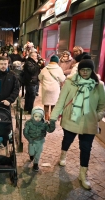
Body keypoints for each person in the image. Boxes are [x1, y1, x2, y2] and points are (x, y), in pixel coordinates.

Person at [50, 59, 105, 190]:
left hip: (89, 122)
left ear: (92, 71)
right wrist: (52, 118)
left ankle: (82, 174)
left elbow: (102, 106)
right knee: (67, 140)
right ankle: (63, 155)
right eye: (82, 70)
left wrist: (97, 116)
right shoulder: (70, 83)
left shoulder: (99, 85)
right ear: (79, 70)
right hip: (71, 119)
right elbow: (61, 101)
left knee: (86, 148)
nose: (85, 72)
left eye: (88, 70)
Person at [23, 106, 55, 171]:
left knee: (38, 152)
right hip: (32, 141)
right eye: (36, 116)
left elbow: (50, 130)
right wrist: (29, 139)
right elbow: (25, 132)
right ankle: (31, 156)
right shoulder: (29, 123)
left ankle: (36, 164)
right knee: (31, 152)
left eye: (40, 117)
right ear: (32, 115)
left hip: (40, 141)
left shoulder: (44, 124)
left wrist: (52, 122)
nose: (38, 118)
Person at [38, 55, 66, 120]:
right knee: (54, 104)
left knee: (46, 104)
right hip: (55, 89)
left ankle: (46, 118)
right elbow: (62, 79)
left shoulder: (45, 69)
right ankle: (52, 118)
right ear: (57, 61)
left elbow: (39, 77)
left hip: (46, 89)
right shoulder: (59, 69)